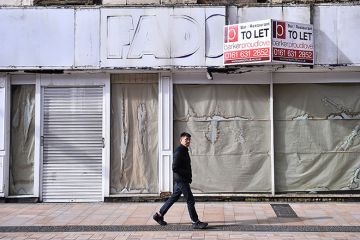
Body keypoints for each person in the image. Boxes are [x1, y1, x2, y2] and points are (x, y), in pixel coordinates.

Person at [153, 132, 208, 229]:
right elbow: (174, 167)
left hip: (181, 180)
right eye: (186, 139)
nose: (188, 141)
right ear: (181, 140)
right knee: (190, 200)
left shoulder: (184, 150)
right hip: (182, 180)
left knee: (173, 198)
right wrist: (186, 174)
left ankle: (159, 215)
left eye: (189, 139)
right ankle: (195, 222)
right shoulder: (179, 151)